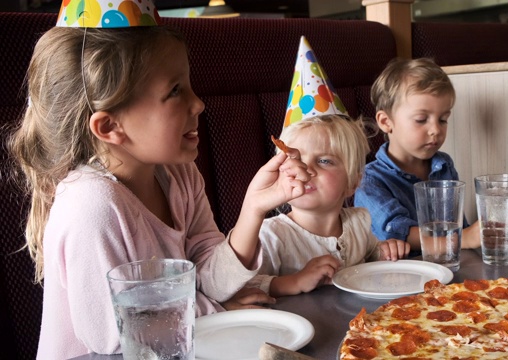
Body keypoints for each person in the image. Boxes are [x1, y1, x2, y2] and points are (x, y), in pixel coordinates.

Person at [8, 3, 310, 359]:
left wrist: (254, 208)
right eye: (175, 91)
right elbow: (115, 335)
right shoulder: (91, 206)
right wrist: (220, 311)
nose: (198, 103)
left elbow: (214, 280)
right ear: (110, 127)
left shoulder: (178, 174)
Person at [247, 37, 410, 297]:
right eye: (297, 159)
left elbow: (373, 258)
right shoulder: (273, 236)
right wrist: (292, 282)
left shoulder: (358, 223)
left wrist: (386, 250)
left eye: (324, 161)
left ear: (353, 183)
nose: (306, 170)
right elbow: (240, 287)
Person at [354, 58, 481, 255]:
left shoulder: (443, 165)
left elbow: (456, 224)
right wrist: (464, 238)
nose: (435, 130)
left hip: (450, 264)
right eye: (421, 120)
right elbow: (397, 233)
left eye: (443, 119)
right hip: (401, 275)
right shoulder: (369, 181)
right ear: (386, 122)